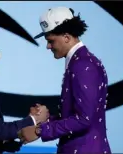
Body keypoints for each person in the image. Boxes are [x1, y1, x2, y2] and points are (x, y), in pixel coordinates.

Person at [18, 7, 111, 154]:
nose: (48, 46)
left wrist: (39, 130)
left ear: (66, 37)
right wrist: (44, 120)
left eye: (51, 41)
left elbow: (84, 119)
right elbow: (74, 117)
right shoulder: (80, 62)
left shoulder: (83, 65)